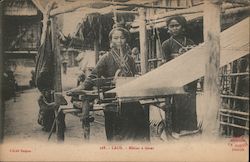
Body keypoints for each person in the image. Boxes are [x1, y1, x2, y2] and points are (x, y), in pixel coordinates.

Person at [67, 25, 149, 142]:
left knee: (139, 121)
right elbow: (93, 76)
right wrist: (81, 87)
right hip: (111, 98)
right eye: (115, 38)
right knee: (115, 130)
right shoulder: (106, 58)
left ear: (126, 40)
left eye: (122, 38)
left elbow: (134, 75)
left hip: (129, 97)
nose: (119, 41)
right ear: (111, 41)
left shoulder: (130, 59)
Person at [162, 16, 198, 137]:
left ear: (182, 27)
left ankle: (190, 128)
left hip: (190, 75)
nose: (174, 28)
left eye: (177, 25)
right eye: (171, 26)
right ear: (168, 28)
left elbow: (195, 60)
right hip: (175, 76)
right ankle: (176, 129)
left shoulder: (190, 42)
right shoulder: (166, 44)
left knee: (191, 102)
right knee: (177, 103)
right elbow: (166, 63)